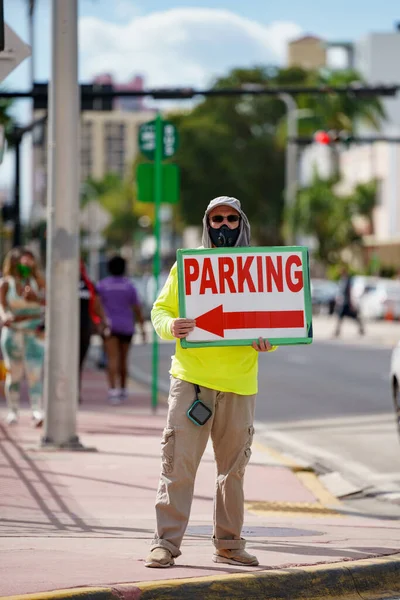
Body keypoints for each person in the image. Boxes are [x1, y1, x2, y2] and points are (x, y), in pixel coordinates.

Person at [145, 196, 276, 569]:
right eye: (216, 219)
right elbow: (160, 309)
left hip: (239, 384)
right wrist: (171, 326)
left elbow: (278, 320)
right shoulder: (187, 267)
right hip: (191, 382)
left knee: (233, 470)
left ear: (241, 223)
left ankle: (229, 544)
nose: (223, 226)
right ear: (207, 223)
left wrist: (271, 340)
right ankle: (165, 544)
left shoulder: (261, 269)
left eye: (231, 219)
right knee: (177, 465)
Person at [0, 247, 46, 426]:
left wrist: (37, 298)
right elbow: (2, 307)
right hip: (13, 333)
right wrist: (5, 317)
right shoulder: (6, 283)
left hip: (34, 332)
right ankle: (13, 411)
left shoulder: (38, 281)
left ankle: (37, 410)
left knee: (35, 373)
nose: (27, 264)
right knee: (14, 373)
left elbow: (50, 301)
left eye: (30, 260)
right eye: (24, 260)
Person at [96, 255, 146, 404]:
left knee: (112, 359)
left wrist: (101, 321)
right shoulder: (129, 286)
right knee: (124, 360)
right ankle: (123, 389)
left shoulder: (102, 285)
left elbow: (96, 306)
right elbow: (137, 309)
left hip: (110, 327)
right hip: (127, 327)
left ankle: (113, 391)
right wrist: (142, 328)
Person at [79, 259, 109, 402]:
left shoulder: (88, 285)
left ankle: (75, 391)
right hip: (64, 334)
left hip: (85, 329)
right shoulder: (60, 282)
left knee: (78, 362)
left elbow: (96, 304)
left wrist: (103, 321)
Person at [334, 265, 365, 337]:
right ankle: (337, 331)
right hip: (343, 302)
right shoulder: (342, 280)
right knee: (340, 317)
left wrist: (351, 303)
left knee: (353, 316)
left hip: (347, 302)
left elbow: (349, 292)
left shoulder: (348, 280)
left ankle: (361, 328)